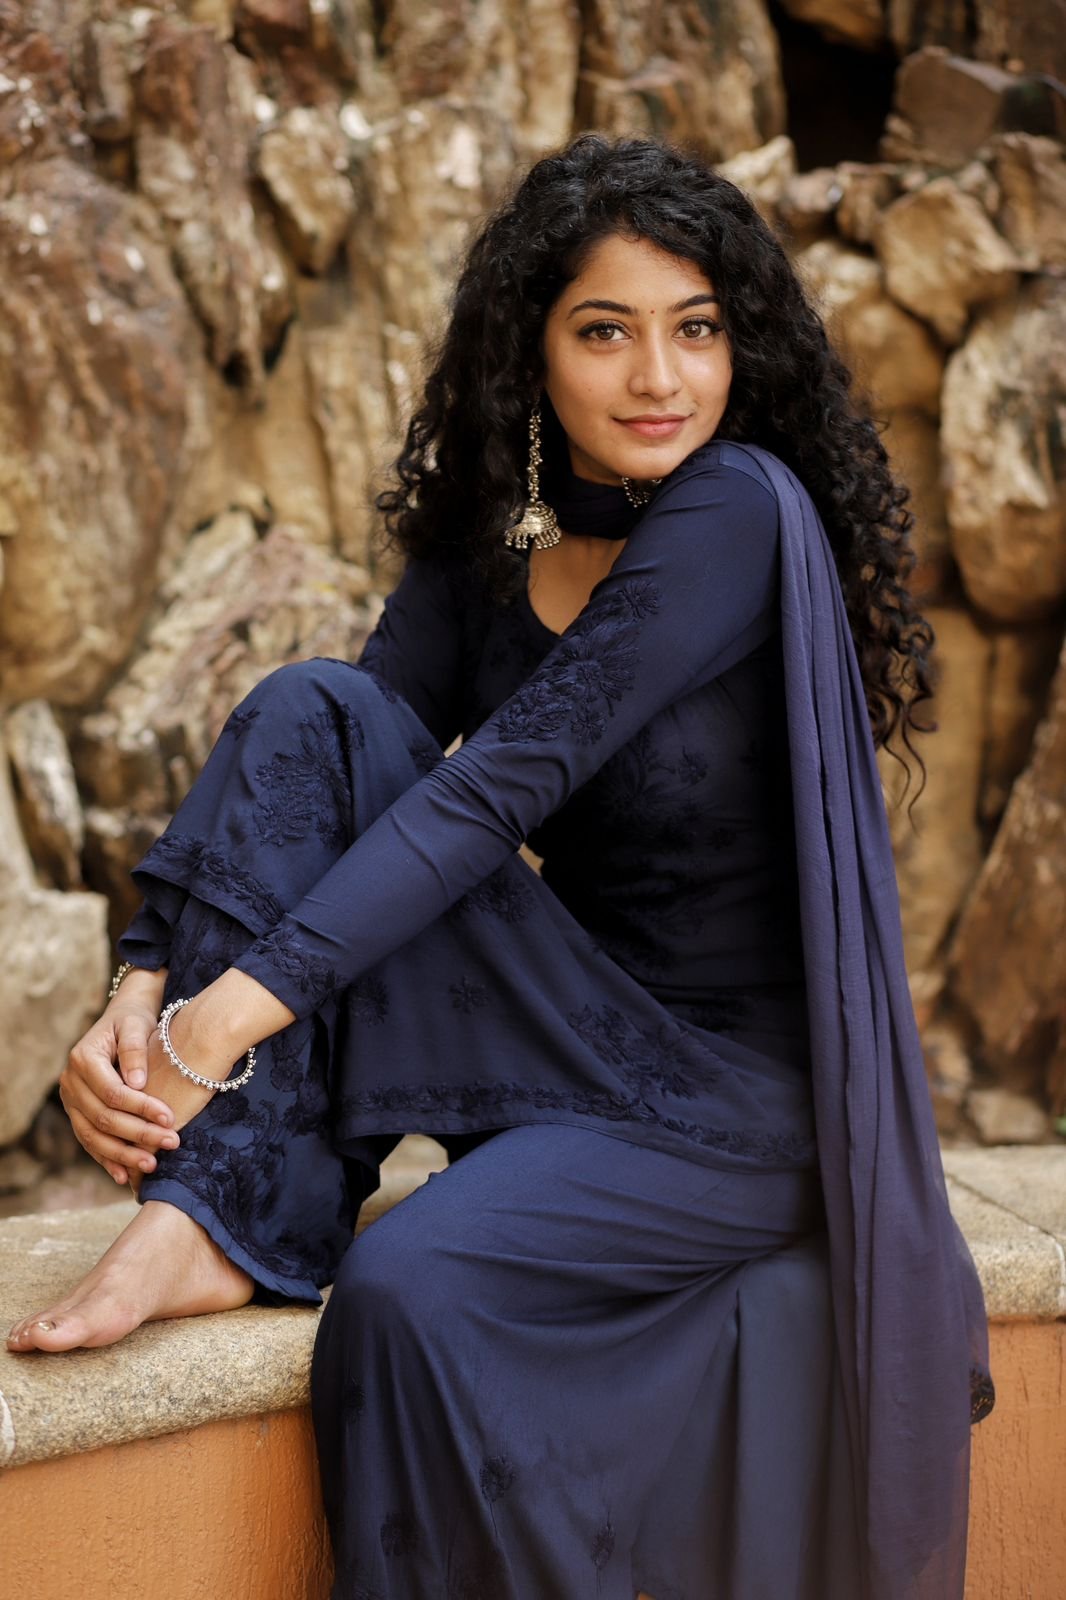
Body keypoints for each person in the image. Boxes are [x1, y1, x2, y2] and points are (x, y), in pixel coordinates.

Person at [7, 133, 993, 1598]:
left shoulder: (737, 508)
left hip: (745, 1103)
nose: (659, 377)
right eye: (605, 332)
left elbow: (487, 796)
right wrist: (144, 982)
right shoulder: (493, 538)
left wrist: (214, 1031)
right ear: (531, 349)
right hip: (568, 1039)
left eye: (697, 329)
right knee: (308, 706)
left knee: (406, 1292)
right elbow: (327, 775)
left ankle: (225, 1207)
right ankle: (208, 1213)